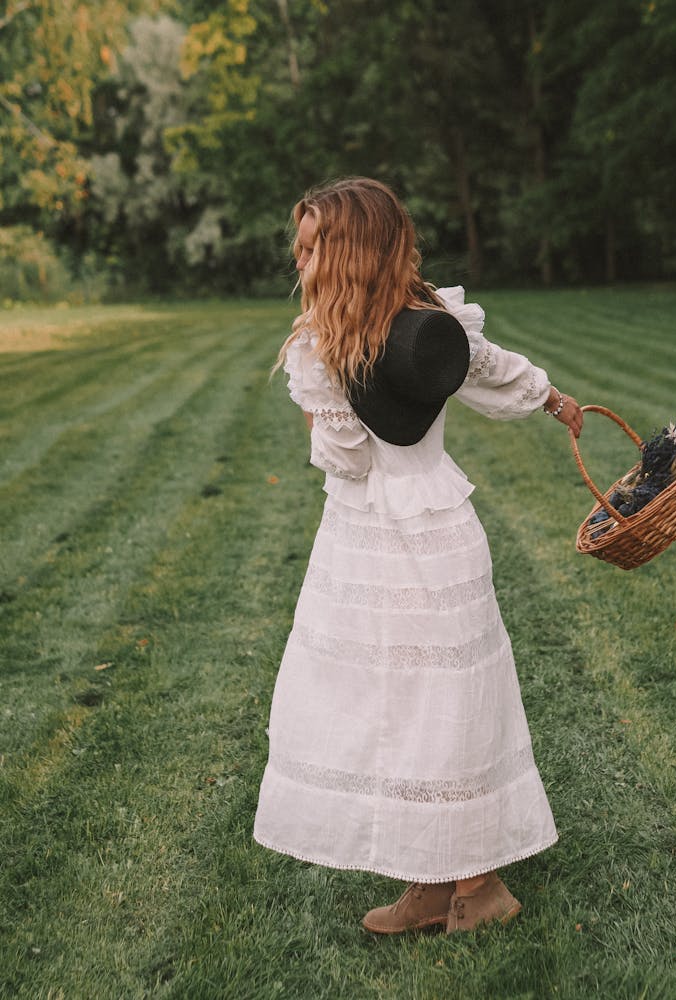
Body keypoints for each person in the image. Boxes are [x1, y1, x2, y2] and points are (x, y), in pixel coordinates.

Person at [253, 177, 583, 934]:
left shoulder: (366, 339)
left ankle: (481, 884)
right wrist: (550, 395)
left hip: (409, 533)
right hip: (385, 542)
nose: (298, 264)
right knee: (392, 703)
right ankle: (433, 879)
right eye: (299, 249)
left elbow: (347, 457)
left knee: (440, 703)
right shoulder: (403, 324)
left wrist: (319, 397)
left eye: (312, 249)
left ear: (351, 255)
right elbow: (491, 366)